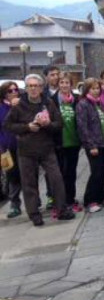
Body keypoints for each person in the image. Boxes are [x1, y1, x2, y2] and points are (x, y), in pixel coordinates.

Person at [4, 74, 74, 226]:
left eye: (36, 86)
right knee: (29, 183)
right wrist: (27, 127)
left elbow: (59, 124)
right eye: (30, 86)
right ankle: (34, 214)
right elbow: (8, 126)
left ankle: (62, 210)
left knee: (56, 179)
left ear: (41, 88)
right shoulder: (18, 105)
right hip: (26, 151)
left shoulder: (48, 103)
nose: (33, 89)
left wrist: (48, 124)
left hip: (47, 149)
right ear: (26, 88)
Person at [76, 78, 104, 213]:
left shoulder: (100, 103)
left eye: (98, 88)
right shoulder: (83, 104)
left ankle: (101, 196)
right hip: (94, 144)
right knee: (96, 172)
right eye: (93, 88)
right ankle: (90, 200)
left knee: (102, 171)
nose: (96, 91)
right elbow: (82, 127)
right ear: (87, 90)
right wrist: (90, 145)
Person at [51, 72, 82, 213]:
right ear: (58, 84)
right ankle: (60, 202)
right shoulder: (51, 100)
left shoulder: (76, 100)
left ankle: (70, 199)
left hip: (73, 142)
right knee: (60, 174)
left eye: (67, 83)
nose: (64, 85)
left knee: (71, 173)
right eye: (61, 83)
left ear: (71, 85)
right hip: (58, 143)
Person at [0, 82, 22, 218]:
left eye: (16, 90)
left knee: (29, 175)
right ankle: (14, 205)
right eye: (10, 90)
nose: (14, 92)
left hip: (25, 146)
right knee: (12, 177)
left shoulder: (22, 105)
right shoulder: (1, 108)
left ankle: (34, 201)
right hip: (7, 148)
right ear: (4, 93)